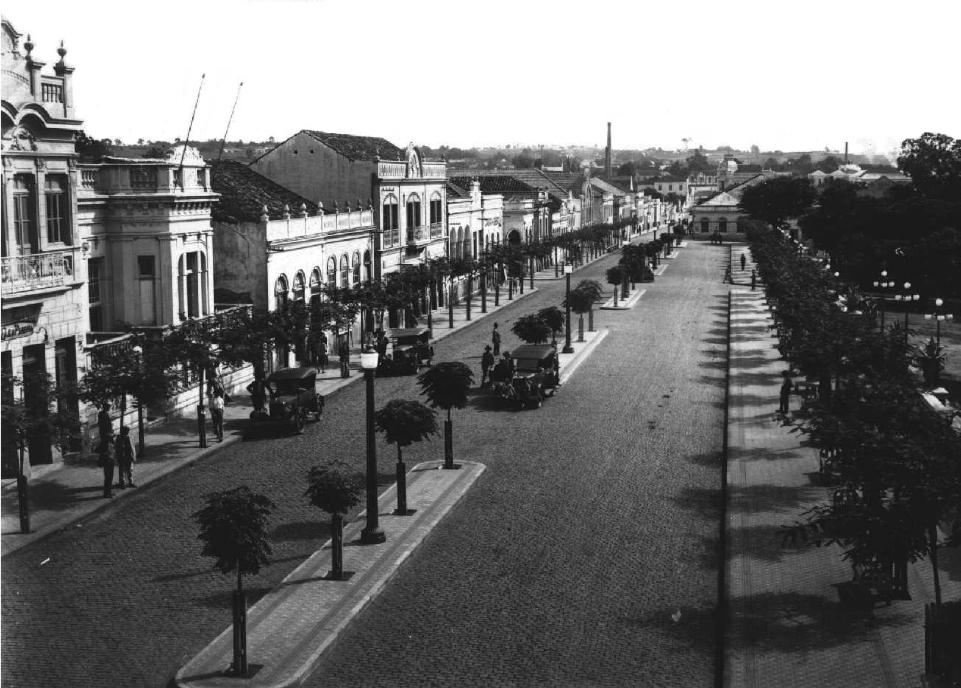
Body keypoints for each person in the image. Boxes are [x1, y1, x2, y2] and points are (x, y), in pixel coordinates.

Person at [98, 432, 116, 498]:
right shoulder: (105, 444)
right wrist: (104, 454)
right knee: (108, 478)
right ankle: (106, 493)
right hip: (107, 462)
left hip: (111, 462)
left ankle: (108, 492)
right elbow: (98, 450)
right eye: (112, 437)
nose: (113, 438)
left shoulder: (111, 444)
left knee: (110, 478)